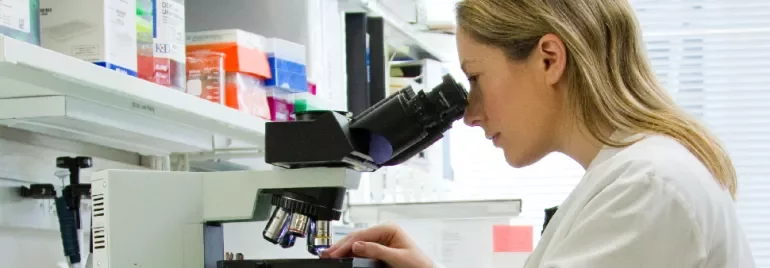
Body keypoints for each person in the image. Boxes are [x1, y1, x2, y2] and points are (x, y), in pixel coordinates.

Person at [321, 0, 757, 267]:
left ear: (549, 59)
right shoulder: (632, 177)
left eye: (475, 78)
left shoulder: (647, 187)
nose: (470, 115)